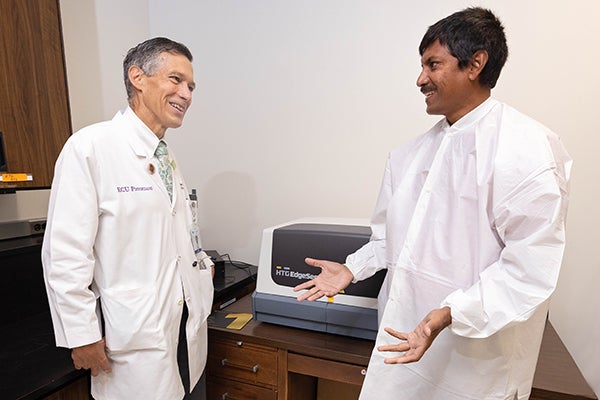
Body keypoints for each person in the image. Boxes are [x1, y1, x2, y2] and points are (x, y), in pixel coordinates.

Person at [295, 7, 571, 400]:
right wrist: (351, 270)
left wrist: (451, 312)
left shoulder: (527, 151)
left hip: (474, 363)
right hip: (403, 344)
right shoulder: (409, 157)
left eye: (433, 64)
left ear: (475, 63)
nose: (420, 79)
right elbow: (390, 241)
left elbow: (528, 269)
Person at [42, 37, 214, 400]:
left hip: (185, 332)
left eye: (191, 86)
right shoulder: (90, 147)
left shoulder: (165, 157)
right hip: (133, 340)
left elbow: (178, 236)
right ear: (137, 77)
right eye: (176, 80)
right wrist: (82, 335)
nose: (186, 94)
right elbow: (66, 254)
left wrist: (204, 267)